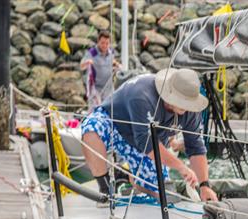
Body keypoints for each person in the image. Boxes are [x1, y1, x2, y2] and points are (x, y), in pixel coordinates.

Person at [80, 68, 217, 203]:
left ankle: (124, 176)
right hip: (114, 123)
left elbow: (196, 147)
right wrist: (181, 167)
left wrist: (204, 185)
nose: (186, 106)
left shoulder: (191, 111)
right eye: (182, 101)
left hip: (142, 141)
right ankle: (105, 190)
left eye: (188, 102)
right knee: (91, 128)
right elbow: (147, 143)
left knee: (160, 192)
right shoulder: (142, 95)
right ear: (169, 93)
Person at [80, 31, 120, 112]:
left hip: (109, 88)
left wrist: (116, 64)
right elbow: (81, 66)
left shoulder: (111, 52)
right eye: (102, 43)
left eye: (107, 43)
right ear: (98, 41)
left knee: (110, 112)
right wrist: (87, 62)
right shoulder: (92, 53)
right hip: (95, 89)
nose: (105, 45)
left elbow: (114, 62)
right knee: (94, 112)